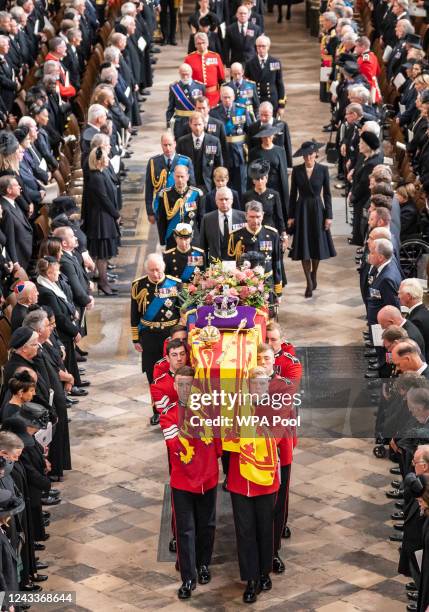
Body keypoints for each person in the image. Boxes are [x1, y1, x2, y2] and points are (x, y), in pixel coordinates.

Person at [160, 365, 219, 600]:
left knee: (207, 525)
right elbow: (174, 445)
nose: (185, 389)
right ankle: (187, 577)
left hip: (208, 477)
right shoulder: (168, 414)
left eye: (189, 384)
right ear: (175, 386)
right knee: (185, 530)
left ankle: (204, 565)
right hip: (182, 481)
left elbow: (218, 445)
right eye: (181, 384)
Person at [227, 366, 280, 604]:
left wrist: (248, 436)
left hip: (266, 480)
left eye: (263, 383)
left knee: (265, 527)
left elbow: (277, 436)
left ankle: (264, 571)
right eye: (255, 384)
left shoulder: (275, 407)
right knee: (245, 531)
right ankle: (250, 579)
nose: (259, 388)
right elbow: (228, 438)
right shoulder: (237, 407)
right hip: (241, 481)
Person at [131, 253, 182, 422]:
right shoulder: (138, 286)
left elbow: (183, 312)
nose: (155, 274)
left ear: (163, 268)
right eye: (152, 270)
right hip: (149, 337)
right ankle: (157, 411)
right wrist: (136, 339)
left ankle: (177, 407)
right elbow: (134, 315)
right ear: (147, 270)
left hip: (170, 336)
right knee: (153, 376)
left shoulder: (175, 284)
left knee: (175, 372)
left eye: (158, 270)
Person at [287, 140, 336, 298]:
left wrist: (329, 216)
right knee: (304, 248)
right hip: (302, 209)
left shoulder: (322, 170)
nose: (308, 157)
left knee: (316, 246)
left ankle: (314, 273)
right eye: (305, 155)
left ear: (315, 154)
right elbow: (292, 194)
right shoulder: (297, 170)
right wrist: (291, 216)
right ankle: (308, 282)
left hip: (317, 209)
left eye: (310, 154)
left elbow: (327, 194)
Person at [82, 147, 120, 296]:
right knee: (101, 255)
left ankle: (104, 282)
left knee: (102, 255)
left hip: (104, 217)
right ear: (98, 161)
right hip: (101, 220)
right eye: (105, 157)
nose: (108, 160)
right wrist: (116, 214)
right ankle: (103, 283)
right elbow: (104, 199)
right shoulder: (96, 177)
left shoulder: (101, 173)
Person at [228, 200, 283, 301]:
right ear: (246, 216)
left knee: (268, 314)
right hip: (243, 285)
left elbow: (277, 263)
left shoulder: (272, 234)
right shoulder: (236, 236)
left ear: (262, 215)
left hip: (266, 283)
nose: (255, 220)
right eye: (252, 217)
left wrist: (278, 291)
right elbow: (230, 264)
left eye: (258, 217)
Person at [209, 85, 252, 197]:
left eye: (229, 97)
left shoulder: (241, 110)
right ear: (220, 98)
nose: (227, 100)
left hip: (239, 153)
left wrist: (249, 152)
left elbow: (250, 131)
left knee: (241, 184)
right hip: (223, 152)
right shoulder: (213, 112)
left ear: (233, 97)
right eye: (224, 97)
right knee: (223, 182)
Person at [145, 132, 195, 222]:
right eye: (165, 145)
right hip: (160, 208)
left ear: (175, 144)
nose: (168, 148)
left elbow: (192, 187)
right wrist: (150, 212)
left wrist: (192, 209)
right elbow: (149, 189)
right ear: (161, 145)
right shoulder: (153, 163)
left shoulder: (185, 161)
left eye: (170, 144)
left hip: (180, 207)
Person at [248, 125, 289, 223]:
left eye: (269, 136)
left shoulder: (280, 151)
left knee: (278, 212)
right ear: (261, 137)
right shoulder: (254, 152)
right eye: (264, 136)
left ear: (273, 136)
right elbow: (251, 173)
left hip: (277, 186)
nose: (267, 138)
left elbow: (283, 172)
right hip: (261, 186)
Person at [349, 132, 384, 246]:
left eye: (361, 142)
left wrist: (353, 196)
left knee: (362, 222)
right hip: (359, 195)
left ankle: (361, 244)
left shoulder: (371, 163)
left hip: (363, 198)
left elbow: (364, 185)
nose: (359, 144)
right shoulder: (366, 158)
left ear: (368, 146)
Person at [157, 164, 203, 249]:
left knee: (195, 262)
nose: (180, 179)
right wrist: (162, 242)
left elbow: (201, 219)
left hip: (192, 239)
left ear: (188, 177)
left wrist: (202, 241)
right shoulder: (165, 195)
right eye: (177, 176)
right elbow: (161, 221)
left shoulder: (196, 194)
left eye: (182, 176)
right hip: (172, 238)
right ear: (174, 176)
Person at [176, 111, 223, 193]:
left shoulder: (214, 141)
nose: (197, 128)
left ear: (204, 124)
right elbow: (178, 164)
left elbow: (218, 164)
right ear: (190, 125)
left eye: (199, 124)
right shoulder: (182, 142)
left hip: (208, 185)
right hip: (188, 185)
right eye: (195, 125)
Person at [200, 186, 245, 264]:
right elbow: (203, 246)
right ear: (216, 201)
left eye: (226, 199)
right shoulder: (207, 219)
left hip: (238, 266)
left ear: (232, 200)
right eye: (221, 199)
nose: (224, 202)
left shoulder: (243, 217)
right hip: (215, 267)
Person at [244, 35, 286, 114]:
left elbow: (279, 83)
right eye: (258, 46)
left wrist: (281, 105)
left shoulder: (275, 62)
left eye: (263, 46)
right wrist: (248, 102)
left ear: (268, 47)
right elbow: (247, 84)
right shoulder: (250, 63)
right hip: (256, 100)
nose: (261, 49)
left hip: (272, 100)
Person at [184, 32, 225, 108]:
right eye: (199, 43)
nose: (201, 45)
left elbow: (221, 78)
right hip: (196, 95)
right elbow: (186, 79)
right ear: (195, 45)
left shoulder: (215, 57)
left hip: (213, 95)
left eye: (203, 43)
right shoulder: (189, 59)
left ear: (207, 43)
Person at [166, 64, 206, 140]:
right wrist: (168, 124)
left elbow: (204, 106)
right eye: (182, 74)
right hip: (180, 122)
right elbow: (170, 108)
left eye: (187, 74)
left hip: (195, 120)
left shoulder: (200, 86)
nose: (185, 77)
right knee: (180, 143)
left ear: (191, 73)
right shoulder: (174, 87)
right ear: (179, 73)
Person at [246, 101, 292, 166]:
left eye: (266, 115)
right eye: (261, 115)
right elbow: (250, 149)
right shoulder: (252, 128)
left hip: (278, 163)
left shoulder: (282, 125)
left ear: (272, 113)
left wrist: (289, 166)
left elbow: (288, 147)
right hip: (260, 165)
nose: (263, 118)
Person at [399, 279, 429, 363]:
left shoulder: (416, 320)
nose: (398, 296)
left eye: (400, 293)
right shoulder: (421, 312)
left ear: (408, 296)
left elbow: (414, 350)